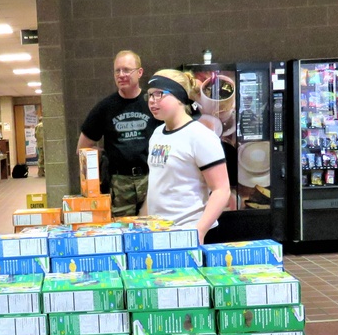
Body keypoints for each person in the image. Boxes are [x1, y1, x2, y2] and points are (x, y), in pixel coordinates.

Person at [144, 69, 232, 245]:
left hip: (188, 232)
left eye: (159, 94)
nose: (153, 100)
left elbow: (222, 190)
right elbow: (159, 184)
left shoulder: (200, 136)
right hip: (159, 231)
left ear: (179, 97)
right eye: (150, 95)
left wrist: (199, 231)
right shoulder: (157, 133)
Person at [76, 50, 162, 216]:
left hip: (151, 178)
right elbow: (82, 148)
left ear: (140, 72)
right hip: (119, 183)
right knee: (123, 231)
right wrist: (102, 157)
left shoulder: (152, 103)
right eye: (117, 71)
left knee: (153, 228)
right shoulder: (105, 107)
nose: (121, 75)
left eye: (126, 70)